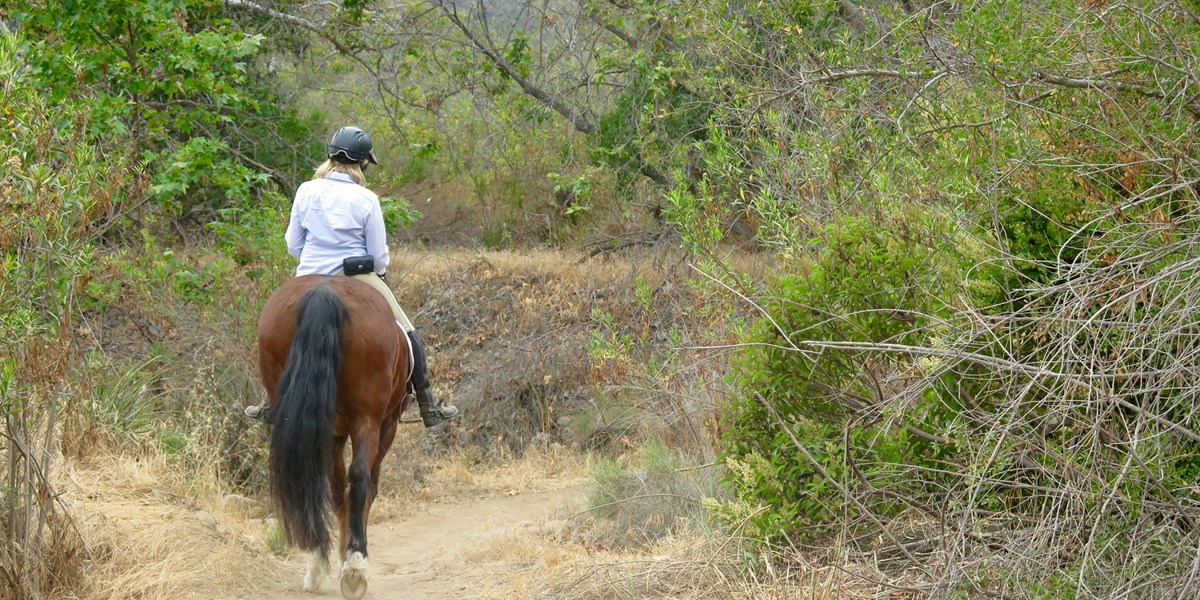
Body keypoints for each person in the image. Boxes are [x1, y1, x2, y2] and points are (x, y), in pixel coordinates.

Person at [245, 126, 459, 428]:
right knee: (409, 334)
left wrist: (313, 260)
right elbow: (378, 255)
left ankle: (271, 401)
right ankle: (428, 404)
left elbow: (293, 244)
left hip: (309, 274)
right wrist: (378, 273)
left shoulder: (306, 190)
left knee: (277, 328)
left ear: (330, 156)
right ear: (362, 163)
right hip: (356, 276)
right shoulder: (366, 198)